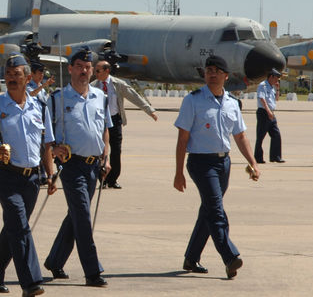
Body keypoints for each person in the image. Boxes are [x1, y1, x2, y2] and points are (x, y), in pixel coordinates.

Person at [0, 54, 56, 297]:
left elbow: (47, 144)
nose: (11, 79)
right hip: (6, 176)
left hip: (32, 179)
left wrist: (50, 175)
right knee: (20, 226)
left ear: (28, 78)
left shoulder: (40, 106)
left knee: (14, 228)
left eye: (16, 75)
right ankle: (31, 283)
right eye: (8, 75)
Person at [173, 55, 261, 279]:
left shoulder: (232, 102)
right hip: (201, 163)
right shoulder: (193, 100)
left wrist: (252, 162)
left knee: (209, 211)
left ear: (226, 76)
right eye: (208, 70)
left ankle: (191, 258)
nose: (212, 74)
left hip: (224, 163)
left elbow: (240, 136)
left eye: (216, 70)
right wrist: (178, 172)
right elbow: (183, 138)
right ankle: (230, 256)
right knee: (216, 210)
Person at [44, 48, 111, 287]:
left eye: (88, 67)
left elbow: (105, 129)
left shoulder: (100, 97)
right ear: (70, 69)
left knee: (75, 215)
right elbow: (47, 136)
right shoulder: (57, 99)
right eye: (80, 66)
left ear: (93, 71)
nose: (84, 71)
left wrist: (107, 156)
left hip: (94, 167)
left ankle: (55, 260)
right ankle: (93, 271)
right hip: (71, 165)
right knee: (83, 215)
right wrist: (53, 153)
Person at [92, 60, 158, 189]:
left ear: (107, 71)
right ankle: (102, 179)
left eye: (98, 71)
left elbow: (134, 96)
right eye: (95, 70)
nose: (96, 73)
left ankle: (113, 179)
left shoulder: (118, 84)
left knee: (116, 151)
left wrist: (149, 111)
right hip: (100, 122)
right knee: (100, 151)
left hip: (115, 121)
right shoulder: (93, 86)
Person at [254, 68, 284, 163]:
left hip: (271, 113)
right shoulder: (263, 85)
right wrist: (268, 111)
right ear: (271, 77)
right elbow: (262, 99)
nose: (277, 80)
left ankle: (275, 157)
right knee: (261, 136)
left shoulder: (271, 87)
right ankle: (258, 158)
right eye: (276, 78)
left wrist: (277, 89)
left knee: (276, 135)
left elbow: (277, 99)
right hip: (264, 112)